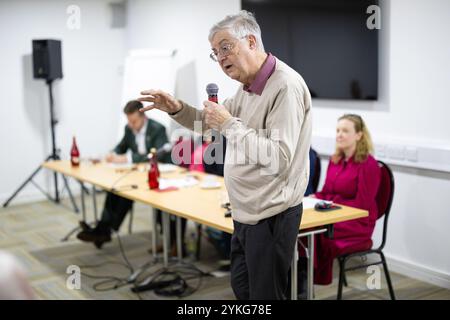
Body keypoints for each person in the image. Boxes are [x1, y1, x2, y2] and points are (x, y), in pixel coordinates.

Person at [138, 10, 312, 299]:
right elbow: (207, 123)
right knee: (243, 291)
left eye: (225, 47)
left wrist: (229, 124)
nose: (220, 58)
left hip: (272, 215)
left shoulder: (285, 86)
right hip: (245, 213)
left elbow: (278, 157)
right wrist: (175, 108)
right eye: (215, 53)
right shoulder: (246, 89)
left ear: (252, 42)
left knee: (265, 297)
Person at [77, 100, 186, 250]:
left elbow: (156, 156)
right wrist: (111, 154)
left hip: (161, 175)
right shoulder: (129, 129)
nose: (132, 125)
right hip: (139, 175)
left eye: (134, 121)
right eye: (129, 121)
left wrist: (127, 158)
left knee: (155, 202)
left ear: (143, 116)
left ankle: (173, 243)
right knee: (116, 190)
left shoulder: (157, 129)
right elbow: (121, 147)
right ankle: (103, 230)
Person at [303, 114, 381, 286]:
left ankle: (309, 281)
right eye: (338, 130)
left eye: (345, 131)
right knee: (301, 226)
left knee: (316, 231)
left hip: (358, 222)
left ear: (359, 135)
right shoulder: (335, 160)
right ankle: (300, 278)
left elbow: (362, 205)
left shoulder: (369, 164)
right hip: (335, 215)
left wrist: (332, 203)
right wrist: (311, 198)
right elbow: (326, 192)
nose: (339, 135)